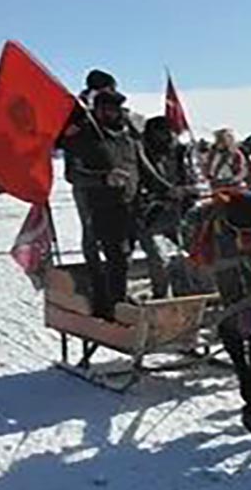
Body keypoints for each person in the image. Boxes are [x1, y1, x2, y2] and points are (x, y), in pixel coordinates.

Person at [64, 90, 140, 320]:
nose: (113, 114)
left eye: (117, 110)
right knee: (116, 256)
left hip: (131, 205)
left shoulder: (127, 136)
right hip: (101, 207)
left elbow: (141, 166)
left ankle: (117, 297)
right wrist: (103, 178)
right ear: (97, 110)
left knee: (125, 258)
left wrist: (168, 188)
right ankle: (115, 307)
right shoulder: (82, 137)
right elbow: (73, 174)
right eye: (107, 109)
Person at [61, 69, 119, 273]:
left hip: (112, 177)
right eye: (111, 87)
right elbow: (62, 137)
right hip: (85, 177)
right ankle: (95, 271)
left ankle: (112, 268)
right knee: (91, 227)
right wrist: (79, 124)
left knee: (114, 228)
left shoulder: (109, 109)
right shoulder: (78, 108)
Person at [137, 116, 202, 299]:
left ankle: (200, 291)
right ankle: (162, 297)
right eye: (162, 132)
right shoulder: (140, 153)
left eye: (170, 131)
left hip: (180, 212)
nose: (168, 136)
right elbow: (141, 181)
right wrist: (162, 194)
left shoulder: (182, 152)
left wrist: (188, 191)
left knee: (198, 250)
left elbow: (194, 178)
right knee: (159, 259)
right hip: (150, 215)